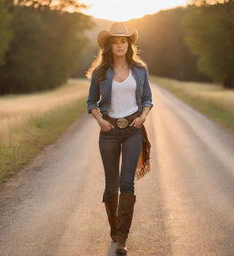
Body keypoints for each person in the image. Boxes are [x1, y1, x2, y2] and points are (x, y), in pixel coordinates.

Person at [85, 21, 153, 255]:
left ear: (129, 44)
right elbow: (91, 102)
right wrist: (100, 121)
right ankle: (114, 231)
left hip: (133, 128)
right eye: (115, 42)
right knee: (111, 185)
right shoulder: (100, 72)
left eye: (123, 41)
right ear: (109, 46)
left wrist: (143, 117)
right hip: (109, 132)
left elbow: (147, 99)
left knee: (127, 182)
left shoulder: (140, 70)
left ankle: (122, 238)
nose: (120, 45)